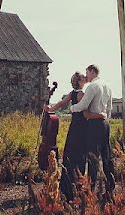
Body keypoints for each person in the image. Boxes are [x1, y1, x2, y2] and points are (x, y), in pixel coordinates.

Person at [69, 64, 115, 193]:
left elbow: (83, 105)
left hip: (94, 124)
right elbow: (110, 108)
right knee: (106, 155)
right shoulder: (107, 86)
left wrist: (72, 108)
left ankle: (91, 188)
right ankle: (110, 187)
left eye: (87, 72)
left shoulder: (92, 86)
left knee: (92, 156)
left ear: (92, 71)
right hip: (105, 123)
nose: (86, 75)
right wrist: (105, 118)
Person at [45, 71, 88, 200]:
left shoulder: (72, 93)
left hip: (73, 126)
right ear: (80, 81)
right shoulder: (82, 94)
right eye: (83, 78)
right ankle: (78, 184)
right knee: (81, 155)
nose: (85, 78)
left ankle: (66, 186)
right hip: (82, 128)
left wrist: (50, 109)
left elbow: (61, 104)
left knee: (70, 154)